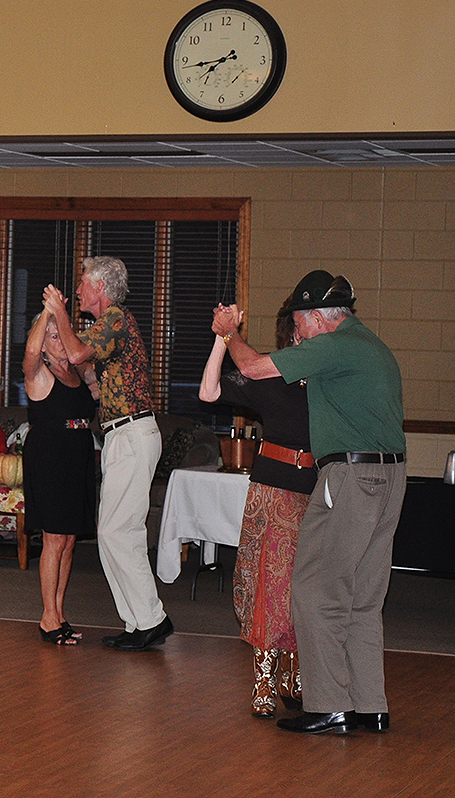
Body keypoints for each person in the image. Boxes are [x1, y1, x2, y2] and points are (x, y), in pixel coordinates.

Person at [214, 270, 407, 735]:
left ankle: (328, 704)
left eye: (298, 325)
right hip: (392, 475)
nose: (296, 336)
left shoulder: (334, 344)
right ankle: (369, 706)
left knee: (315, 589)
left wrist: (229, 333)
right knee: (362, 597)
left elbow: (256, 367)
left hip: (351, 477)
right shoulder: (371, 346)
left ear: (317, 318)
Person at [46, 256, 173, 652]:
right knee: (114, 533)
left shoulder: (115, 318)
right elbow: (85, 365)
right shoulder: (109, 326)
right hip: (122, 435)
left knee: (119, 531)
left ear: (101, 287)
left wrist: (61, 314)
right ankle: (138, 622)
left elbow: (80, 353)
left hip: (133, 433)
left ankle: (152, 620)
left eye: (83, 282)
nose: (79, 288)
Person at [200, 300, 315, 717]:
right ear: (292, 336)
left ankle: (293, 669)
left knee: (305, 584)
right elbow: (209, 392)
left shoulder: (327, 379)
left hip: (318, 493)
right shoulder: (271, 375)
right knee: (270, 581)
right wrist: (220, 337)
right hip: (274, 490)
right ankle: (265, 678)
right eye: (302, 332)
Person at [22, 309, 97, 646]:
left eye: (63, 335)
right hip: (50, 454)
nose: (61, 341)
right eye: (54, 337)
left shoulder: (77, 372)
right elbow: (29, 352)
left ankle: (59, 612)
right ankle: (47, 617)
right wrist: (49, 314)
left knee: (68, 540)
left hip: (78, 452)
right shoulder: (39, 372)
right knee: (54, 538)